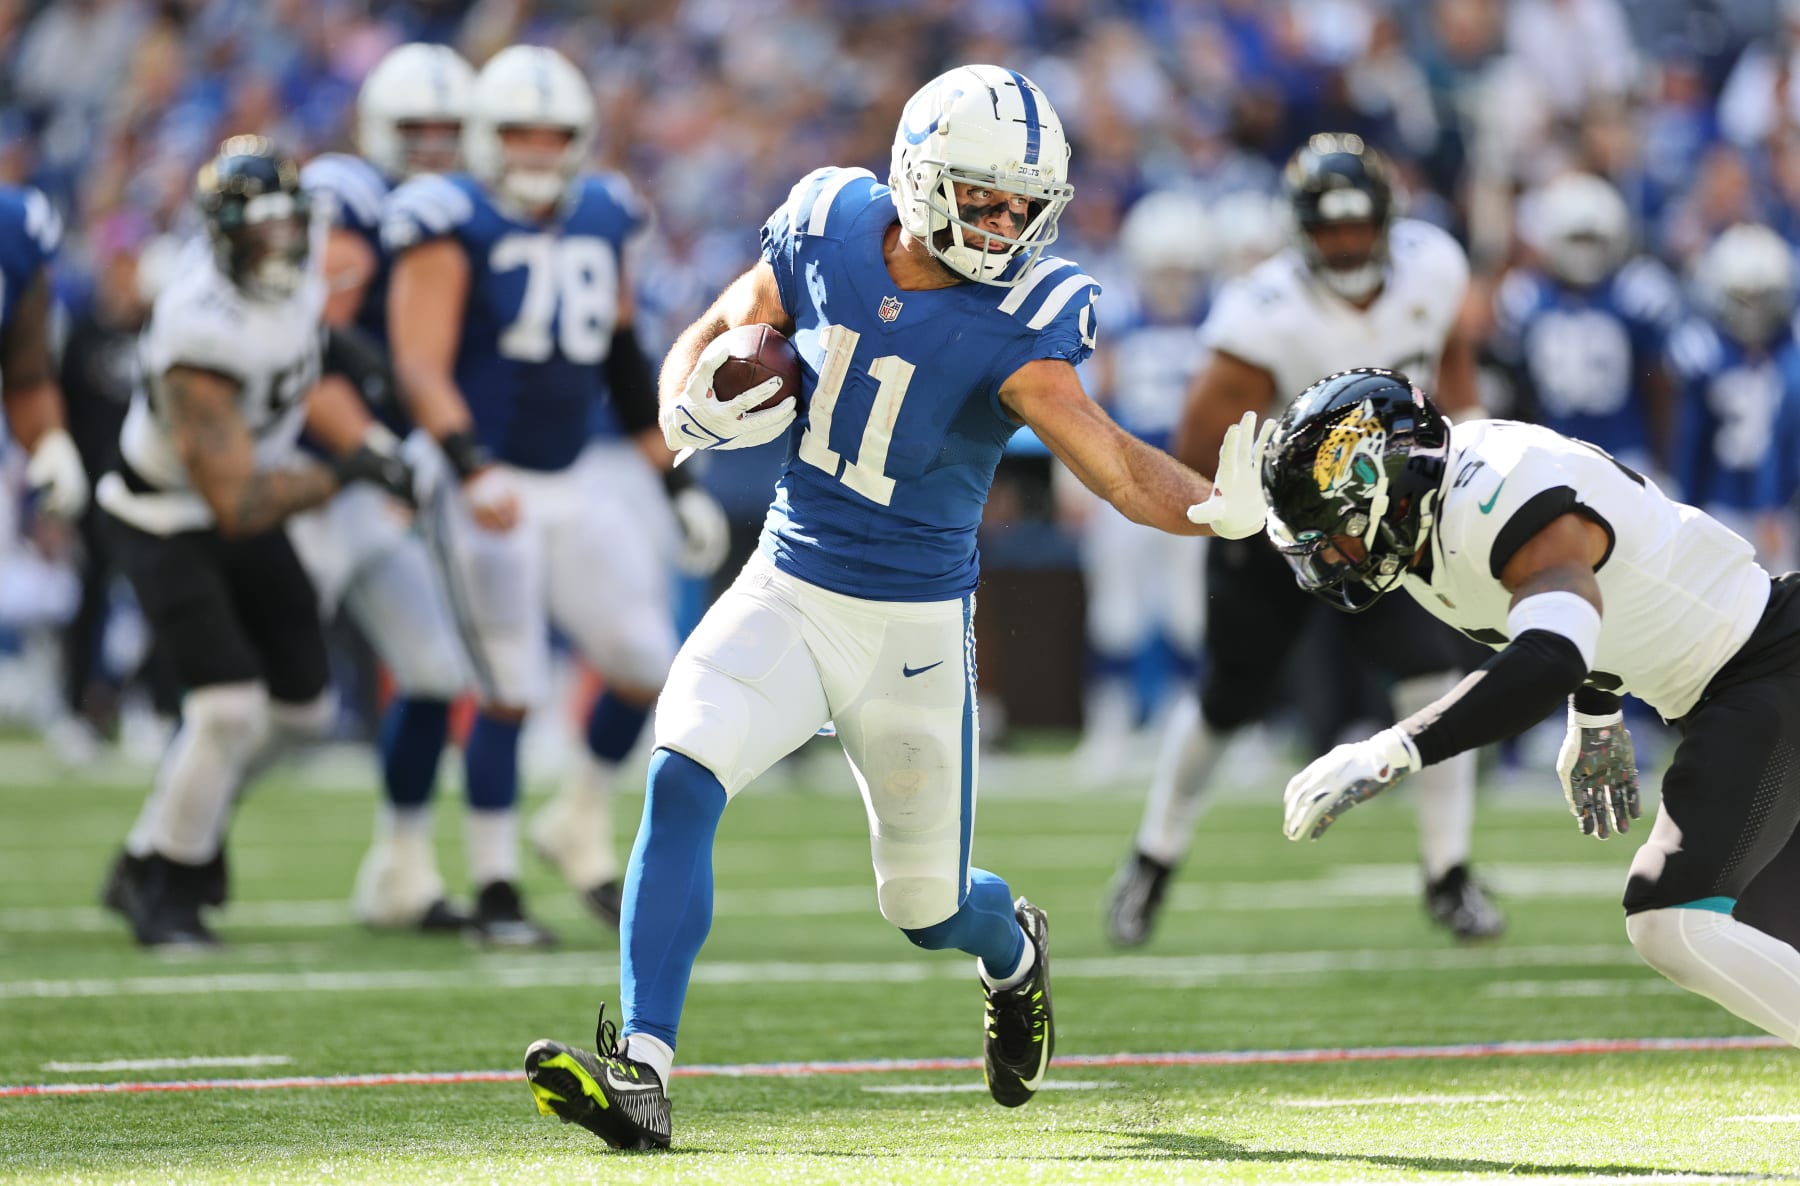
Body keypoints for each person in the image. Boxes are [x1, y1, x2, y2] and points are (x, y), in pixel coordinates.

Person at [520, 63, 1272, 1152]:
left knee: (923, 906)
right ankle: (644, 1068)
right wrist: (682, 404)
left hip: (910, 633)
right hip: (787, 581)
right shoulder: (828, 219)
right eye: (986, 197)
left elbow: (1106, 461)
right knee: (681, 771)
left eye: (1025, 205)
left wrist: (1217, 509)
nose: (1006, 223)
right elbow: (731, 317)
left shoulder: (1024, 315)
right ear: (920, 178)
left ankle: (1010, 949)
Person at [1265, 367, 1800, 1052]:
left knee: (1674, 918)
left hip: (1766, 666)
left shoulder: (1499, 497)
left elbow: (1550, 652)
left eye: (1333, 533)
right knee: (1771, 927)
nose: (1331, 559)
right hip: (1738, 676)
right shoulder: (1437, 507)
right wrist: (1597, 712)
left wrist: (1393, 750)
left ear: (1386, 489)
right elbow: (1609, 587)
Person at [1107, 133, 1502, 949]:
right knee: (1227, 700)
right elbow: (1197, 438)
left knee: (1433, 679)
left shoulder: (1432, 267)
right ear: (1300, 233)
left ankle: (1448, 871)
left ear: (1388, 222)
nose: (1348, 245)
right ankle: (1153, 858)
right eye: (1330, 231)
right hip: (1279, 533)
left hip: (1387, 529)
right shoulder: (1263, 313)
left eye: (1359, 228)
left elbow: (1452, 371)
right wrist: (1272, 505)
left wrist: (1466, 464)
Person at [382, 45, 678, 944]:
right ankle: (497, 886)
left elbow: (625, 360)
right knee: (508, 681)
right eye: (519, 132)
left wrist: (683, 478)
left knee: (643, 658)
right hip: (484, 471)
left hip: (574, 472)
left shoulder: (601, 212)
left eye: (555, 134)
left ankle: (577, 815)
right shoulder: (447, 218)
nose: (538, 151)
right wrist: (471, 465)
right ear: (484, 137)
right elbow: (419, 364)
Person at [96, 136, 418, 947]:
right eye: (260, 226)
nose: (280, 241)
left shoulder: (300, 272)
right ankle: (168, 886)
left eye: (289, 222)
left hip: (248, 505)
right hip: (168, 515)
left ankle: (157, 845)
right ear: (221, 233)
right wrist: (355, 466)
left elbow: (297, 342)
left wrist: (347, 357)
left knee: (304, 711)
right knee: (229, 708)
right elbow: (237, 502)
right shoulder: (195, 329)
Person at [295, 42, 479, 935]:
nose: (437, 146)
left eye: (452, 129)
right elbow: (310, 352)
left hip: (377, 484)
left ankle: (399, 871)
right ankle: (172, 853)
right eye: (419, 129)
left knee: (436, 670)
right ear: (377, 130)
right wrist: (376, 447)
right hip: (299, 478)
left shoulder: (468, 216)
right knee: (264, 700)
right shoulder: (348, 201)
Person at [1067, 190, 1214, 781]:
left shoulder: (1221, 314)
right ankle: (1111, 731)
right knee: (1116, 611)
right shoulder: (1117, 313)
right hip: (1121, 482)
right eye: (1163, 270)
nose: (1174, 284)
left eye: (1183, 270)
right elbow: (1083, 402)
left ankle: (1187, 731)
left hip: (1190, 485)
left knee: (1189, 612)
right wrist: (1071, 479)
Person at [1492, 172, 1682, 477]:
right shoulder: (1526, 295)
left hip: (1624, 455)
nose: (1584, 252)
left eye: (1592, 240)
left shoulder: (1633, 292)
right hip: (1552, 452)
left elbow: (1660, 383)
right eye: (1577, 240)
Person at [1667, 223, 1800, 571]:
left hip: (1784, 506)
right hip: (1721, 500)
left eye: (1762, 299)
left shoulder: (1790, 351)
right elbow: (1691, 437)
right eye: (1742, 299)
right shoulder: (1705, 349)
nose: (1752, 312)